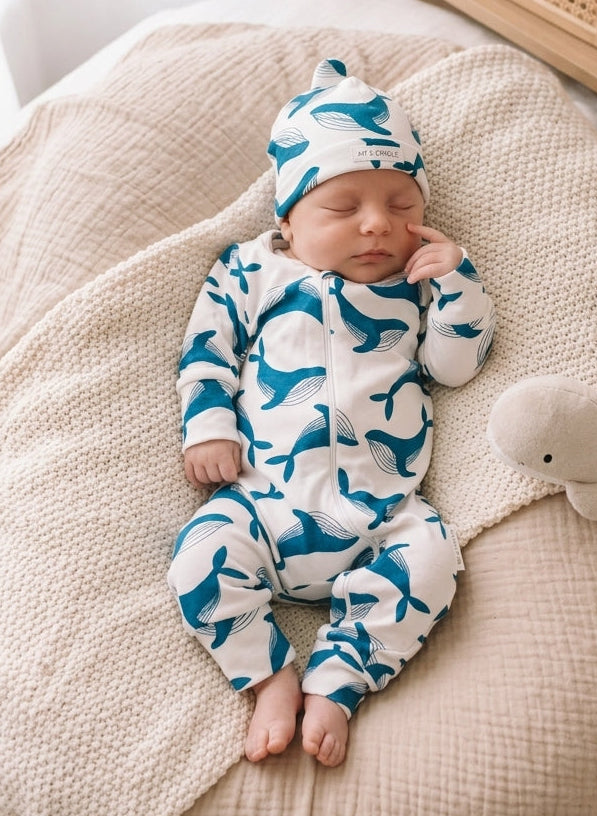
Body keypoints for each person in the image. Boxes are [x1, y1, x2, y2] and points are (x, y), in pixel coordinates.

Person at [167, 58, 495, 768]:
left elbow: (452, 369)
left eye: (402, 206)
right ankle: (269, 675)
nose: (377, 225)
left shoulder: (417, 285)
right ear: (286, 220)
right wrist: (210, 426)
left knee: (435, 560)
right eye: (343, 208)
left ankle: (338, 681)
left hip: (383, 512)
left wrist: (459, 288)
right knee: (198, 559)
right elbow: (206, 349)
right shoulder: (254, 268)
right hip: (264, 499)